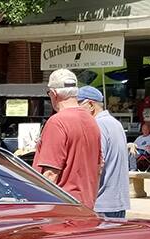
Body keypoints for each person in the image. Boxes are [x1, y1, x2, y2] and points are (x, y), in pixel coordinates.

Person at [31, 69, 101, 209]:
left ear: (54, 94)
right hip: (86, 206)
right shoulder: (92, 121)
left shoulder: (57, 122)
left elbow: (50, 174)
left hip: (61, 209)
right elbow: (99, 167)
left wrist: (39, 209)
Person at [78, 86, 130, 218]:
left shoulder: (97, 126)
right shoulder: (115, 123)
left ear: (90, 105)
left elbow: (97, 165)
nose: (76, 111)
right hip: (117, 200)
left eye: (78, 105)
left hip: (101, 204)